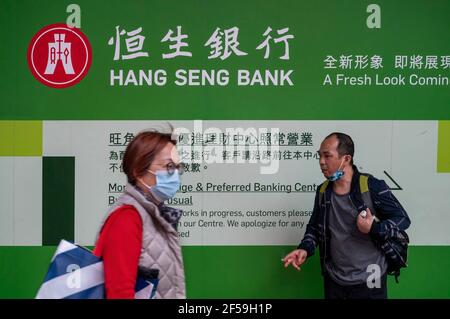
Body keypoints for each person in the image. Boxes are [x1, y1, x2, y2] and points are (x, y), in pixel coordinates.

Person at [283, 132, 411, 299]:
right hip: (334, 279)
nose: (321, 162)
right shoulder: (323, 191)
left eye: (327, 156)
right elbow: (314, 228)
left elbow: (402, 219)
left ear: (346, 159)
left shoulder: (372, 186)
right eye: (319, 156)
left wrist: (373, 227)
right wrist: (304, 249)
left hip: (371, 277)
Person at [93, 129, 186, 299]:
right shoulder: (126, 218)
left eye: (178, 167)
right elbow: (120, 293)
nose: (176, 175)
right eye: (169, 167)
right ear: (138, 170)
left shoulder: (153, 216)